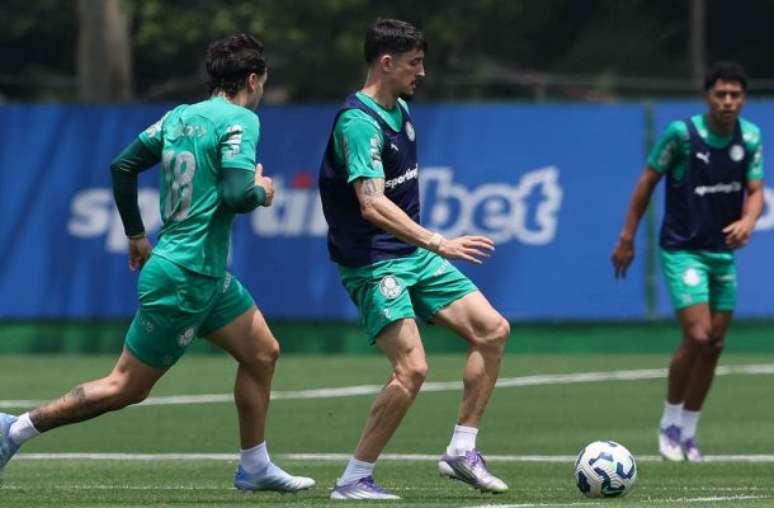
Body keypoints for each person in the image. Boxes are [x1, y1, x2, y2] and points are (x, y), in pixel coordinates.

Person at [0, 34, 315, 493]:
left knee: (263, 352)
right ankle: (14, 430)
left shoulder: (178, 116)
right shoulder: (242, 119)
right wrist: (262, 192)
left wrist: (135, 234)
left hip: (205, 275)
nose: (263, 90)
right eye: (263, 82)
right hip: (184, 277)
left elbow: (122, 166)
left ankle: (255, 466)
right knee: (125, 387)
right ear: (252, 80)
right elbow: (236, 195)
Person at [319, 18, 510, 500]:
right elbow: (371, 204)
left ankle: (462, 451)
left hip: (414, 257)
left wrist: (426, 247)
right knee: (412, 369)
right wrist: (438, 242)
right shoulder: (358, 124)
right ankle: (353, 479)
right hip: (373, 263)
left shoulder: (400, 109)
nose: (421, 72)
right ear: (386, 63)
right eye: (414, 63)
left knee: (492, 331)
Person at [611, 61, 764, 463]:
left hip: (722, 253)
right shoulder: (682, 135)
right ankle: (669, 422)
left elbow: (755, 190)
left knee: (715, 344)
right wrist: (627, 236)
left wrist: (748, 221)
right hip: (682, 249)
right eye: (721, 94)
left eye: (735, 95)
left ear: (743, 99)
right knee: (697, 336)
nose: (728, 101)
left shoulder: (749, 137)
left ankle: (689, 432)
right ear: (707, 96)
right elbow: (647, 181)